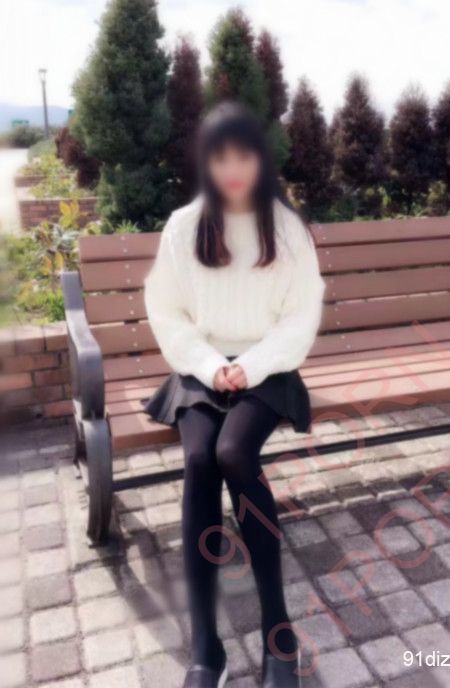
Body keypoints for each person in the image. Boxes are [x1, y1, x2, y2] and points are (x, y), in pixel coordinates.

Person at [144, 101, 325, 688]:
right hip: (199, 371)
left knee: (232, 452)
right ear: (206, 162)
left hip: (268, 370)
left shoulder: (286, 229)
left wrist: (250, 365)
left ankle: (279, 639)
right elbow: (167, 312)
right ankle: (206, 650)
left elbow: (300, 318)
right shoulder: (184, 227)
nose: (233, 169)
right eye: (220, 158)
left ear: (260, 159)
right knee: (200, 458)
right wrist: (208, 364)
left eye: (243, 155)